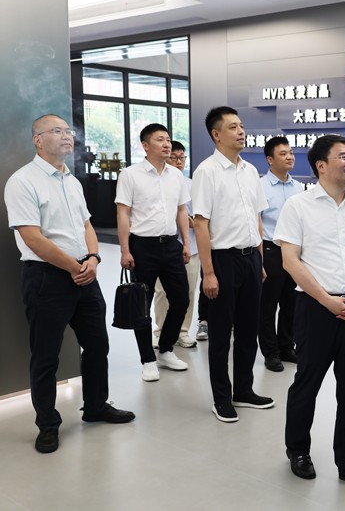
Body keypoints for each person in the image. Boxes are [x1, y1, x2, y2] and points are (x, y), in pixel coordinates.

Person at [4, 114, 135, 453]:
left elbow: (86, 225)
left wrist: (93, 258)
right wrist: (74, 266)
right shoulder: (23, 181)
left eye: (68, 131)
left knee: (97, 346)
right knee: (46, 356)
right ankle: (47, 425)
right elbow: (32, 237)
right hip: (47, 278)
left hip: (84, 275)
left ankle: (96, 405)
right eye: (57, 131)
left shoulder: (72, 181)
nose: (67, 136)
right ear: (38, 140)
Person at [275, 134, 345, 491]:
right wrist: (327, 300)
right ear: (321, 165)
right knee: (307, 384)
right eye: (343, 157)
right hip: (315, 308)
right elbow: (290, 261)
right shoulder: (298, 206)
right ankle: (298, 451)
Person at [192, 106, 274, 423]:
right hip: (223, 260)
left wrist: (260, 260)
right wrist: (208, 273)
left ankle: (244, 390)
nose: (241, 131)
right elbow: (201, 224)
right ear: (216, 134)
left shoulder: (250, 171)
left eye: (241, 126)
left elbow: (257, 218)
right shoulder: (207, 172)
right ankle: (222, 398)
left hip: (251, 258)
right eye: (232, 127)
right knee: (221, 334)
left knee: (249, 330)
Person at [116, 124, 191, 382]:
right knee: (142, 306)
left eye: (168, 139)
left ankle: (166, 349)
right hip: (142, 248)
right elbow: (123, 213)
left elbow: (182, 210)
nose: (167, 144)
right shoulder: (130, 175)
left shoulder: (176, 176)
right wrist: (125, 250)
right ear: (145, 146)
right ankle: (147, 359)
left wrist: (186, 243)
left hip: (171, 245)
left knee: (181, 299)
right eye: (160, 140)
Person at [258, 136, 304, 372]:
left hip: (294, 251)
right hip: (270, 250)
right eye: (283, 154)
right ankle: (270, 352)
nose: (289, 157)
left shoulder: (299, 188)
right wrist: (260, 259)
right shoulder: (260, 186)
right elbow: (256, 222)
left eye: (291, 153)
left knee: (291, 303)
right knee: (267, 305)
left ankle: (287, 347)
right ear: (270, 159)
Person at [152, 141, 200, 349]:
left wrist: (190, 220)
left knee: (188, 291)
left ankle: (182, 331)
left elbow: (200, 217)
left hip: (191, 247)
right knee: (162, 292)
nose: (179, 162)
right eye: (174, 157)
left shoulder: (192, 184)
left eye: (182, 157)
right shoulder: (157, 182)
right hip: (163, 247)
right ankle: (161, 331)